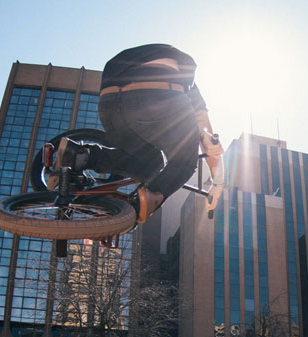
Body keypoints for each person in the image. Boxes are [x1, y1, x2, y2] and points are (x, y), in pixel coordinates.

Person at [50, 44, 224, 224]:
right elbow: (205, 129)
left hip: (109, 104)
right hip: (157, 96)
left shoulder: (150, 59)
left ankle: (80, 156)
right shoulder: (189, 83)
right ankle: (149, 199)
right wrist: (217, 182)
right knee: (184, 162)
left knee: (151, 162)